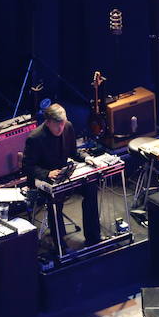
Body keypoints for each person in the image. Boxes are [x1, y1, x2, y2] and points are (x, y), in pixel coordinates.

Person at [22, 103, 101, 249]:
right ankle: (60, 244)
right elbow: (27, 167)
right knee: (54, 200)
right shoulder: (35, 138)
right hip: (44, 180)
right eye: (57, 125)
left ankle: (93, 237)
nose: (61, 129)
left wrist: (85, 157)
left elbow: (73, 152)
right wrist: (47, 173)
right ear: (48, 122)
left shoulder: (68, 127)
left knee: (91, 187)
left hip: (64, 175)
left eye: (63, 124)